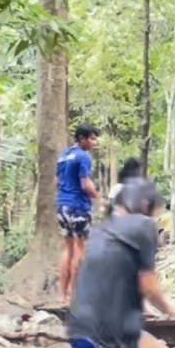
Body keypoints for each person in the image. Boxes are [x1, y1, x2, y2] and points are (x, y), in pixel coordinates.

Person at [59, 178, 175, 348]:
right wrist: (172, 311)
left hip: (79, 329)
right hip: (103, 332)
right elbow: (149, 287)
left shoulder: (98, 232)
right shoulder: (144, 226)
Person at [56, 125, 103, 307]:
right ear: (82, 139)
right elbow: (86, 184)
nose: (94, 142)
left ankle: (63, 295)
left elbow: (58, 181)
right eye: (92, 139)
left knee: (68, 248)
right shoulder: (84, 157)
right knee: (80, 249)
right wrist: (99, 198)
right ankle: (76, 296)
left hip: (63, 206)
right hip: (79, 207)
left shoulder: (63, 157)